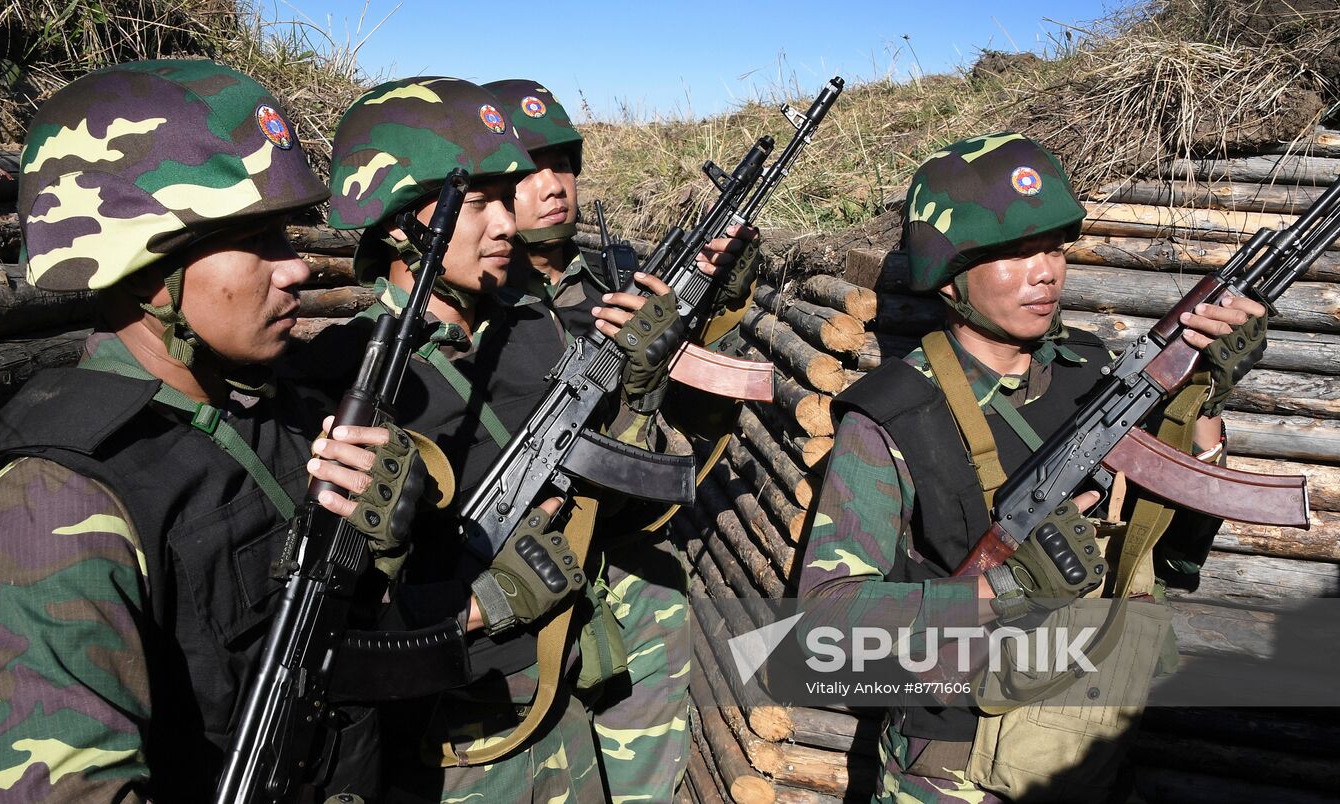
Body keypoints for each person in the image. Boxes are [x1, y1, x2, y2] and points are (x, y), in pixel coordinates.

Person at [0, 59, 433, 801]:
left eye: (286, 236)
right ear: (147, 273)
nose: (297, 268)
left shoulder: (276, 406)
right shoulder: (57, 496)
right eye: (256, 239)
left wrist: (384, 541)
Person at [796, 132, 1267, 803]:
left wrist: (1205, 403)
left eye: (1051, 246)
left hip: (1085, 743)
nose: (1045, 270)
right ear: (950, 272)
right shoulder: (893, 417)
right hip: (954, 771)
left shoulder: (1096, 376)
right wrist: (1009, 588)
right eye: (1014, 254)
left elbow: (1173, 560)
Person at [484, 78, 763, 801]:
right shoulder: (477, 305)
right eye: (529, 168)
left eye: (566, 164)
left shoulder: (624, 272)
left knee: (647, 781)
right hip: (526, 580)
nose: (555, 185)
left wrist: (715, 302)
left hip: (637, 574)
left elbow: (699, 414)